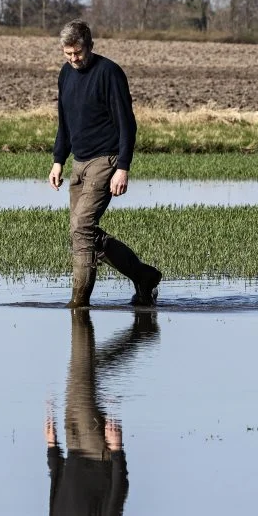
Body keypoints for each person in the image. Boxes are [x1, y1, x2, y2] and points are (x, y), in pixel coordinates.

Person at [48, 19, 161, 308]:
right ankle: (144, 276)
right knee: (80, 233)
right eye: (68, 54)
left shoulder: (109, 73)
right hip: (78, 163)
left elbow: (128, 124)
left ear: (90, 46)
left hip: (106, 159)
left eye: (79, 53)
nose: (74, 59)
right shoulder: (65, 74)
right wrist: (58, 160)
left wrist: (122, 167)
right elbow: (65, 122)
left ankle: (78, 304)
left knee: (82, 227)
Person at [44, 309, 160, 516]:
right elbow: (120, 488)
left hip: (72, 443)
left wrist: (51, 446)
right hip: (97, 449)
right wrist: (117, 450)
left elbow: (55, 483)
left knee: (79, 373)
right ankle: (135, 331)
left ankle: (137, 331)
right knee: (81, 372)